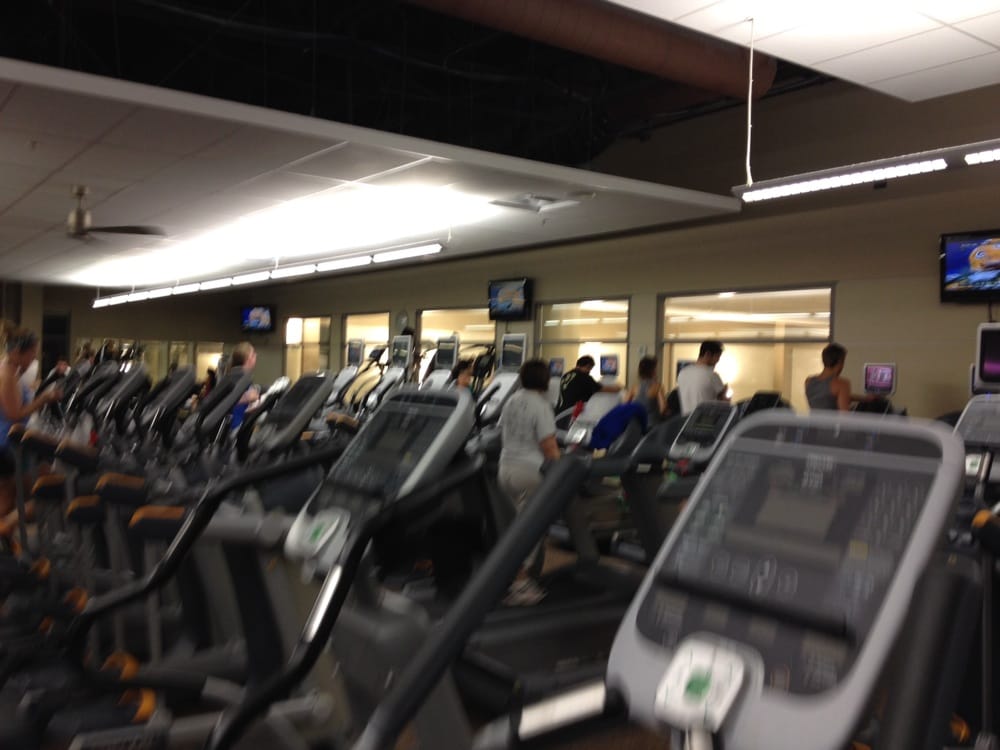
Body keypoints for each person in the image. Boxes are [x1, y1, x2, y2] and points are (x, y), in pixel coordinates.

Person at [498, 359, 560, 606]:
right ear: (545, 380)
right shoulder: (541, 405)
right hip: (529, 472)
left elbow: (502, 429)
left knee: (517, 526)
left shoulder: (511, 400)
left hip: (505, 470)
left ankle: (512, 576)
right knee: (532, 528)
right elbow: (549, 446)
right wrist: (562, 467)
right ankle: (520, 582)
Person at [0, 323, 60, 515]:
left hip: (14, 441)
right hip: (7, 444)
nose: (34, 357)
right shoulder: (7, 375)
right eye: (32, 353)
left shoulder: (12, 371)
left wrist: (37, 389)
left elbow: (18, 399)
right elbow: (14, 414)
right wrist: (44, 399)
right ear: (18, 352)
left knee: (18, 496)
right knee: (41, 485)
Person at [805, 342, 873, 412]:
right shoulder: (842, 384)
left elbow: (827, 397)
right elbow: (845, 416)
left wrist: (865, 399)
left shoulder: (809, 381)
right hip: (833, 419)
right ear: (840, 362)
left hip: (813, 419)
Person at [676, 340, 728, 415]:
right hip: (706, 419)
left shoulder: (682, 373)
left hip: (687, 419)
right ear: (708, 354)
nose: (718, 360)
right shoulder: (712, 376)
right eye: (717, 356)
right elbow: (724, 403)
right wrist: (725, 391)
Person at [555, 355, 621, 413]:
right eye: (589, 368)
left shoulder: (566, 375)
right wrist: (618, 388)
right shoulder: (583, 376)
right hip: (569, 413)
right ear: (587, 366)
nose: (589, 371)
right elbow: (603, 389)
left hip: (559, 411)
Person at [624, 356, 666, 427]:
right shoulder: (658, 387)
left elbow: (625, 405)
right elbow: (663, 408)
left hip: (638, 424)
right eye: (655, 369)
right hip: (653, 425)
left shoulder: (634, 387)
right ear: (652, 371)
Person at [229, 342, 260, 429]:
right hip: (235, 428)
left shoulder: (240, 376)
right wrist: (247, 398)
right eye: (253, 354)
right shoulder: (240, 378)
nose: (256, 355)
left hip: (240, 424)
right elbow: (226, 400)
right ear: (248, 359)